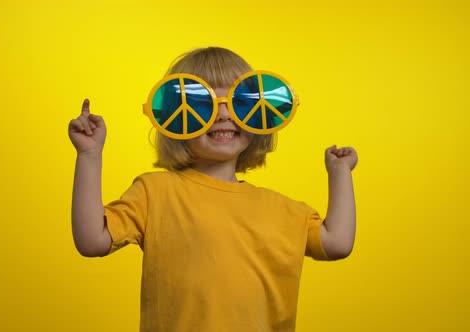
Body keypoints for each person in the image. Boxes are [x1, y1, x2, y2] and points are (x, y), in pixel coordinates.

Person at [68, 46, 358, 332]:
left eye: (239, 102)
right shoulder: (156, 192)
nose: (223, 114)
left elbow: (337, 243)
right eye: (203, 104)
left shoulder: (284, 210)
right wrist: (90, 156)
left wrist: (340, 173)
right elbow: (92, 241)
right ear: (172, 117)